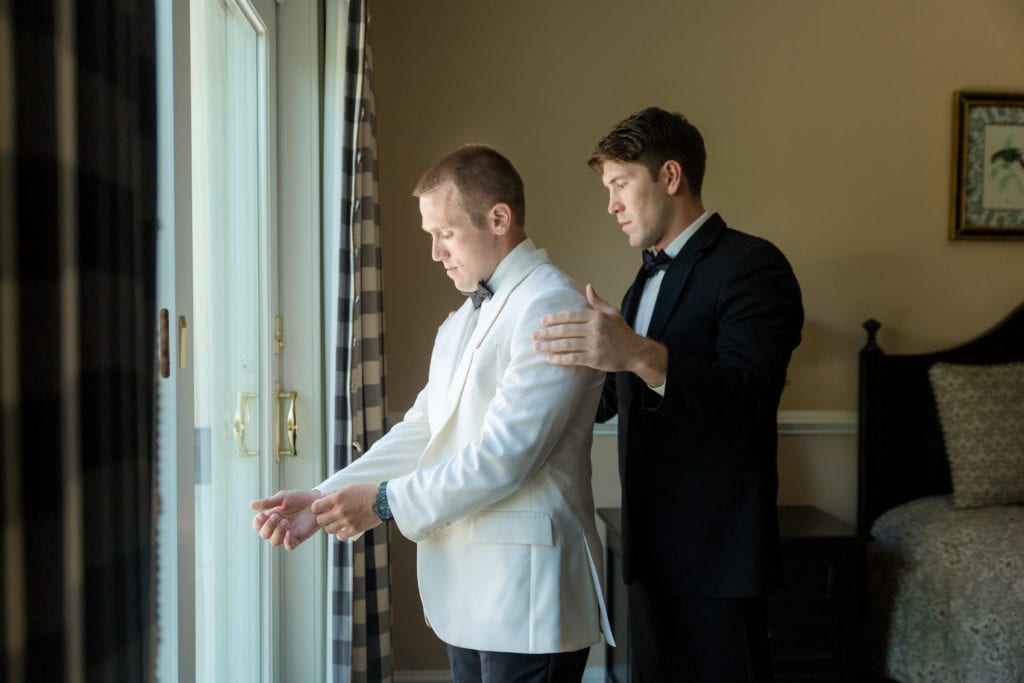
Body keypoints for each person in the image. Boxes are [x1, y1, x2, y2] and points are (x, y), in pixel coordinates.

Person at [250, 144, 613, 683]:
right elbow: (422, 428)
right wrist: (325, 497)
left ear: (498, 218)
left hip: (530, 593)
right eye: (431, 236)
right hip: (468, 594)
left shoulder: (551, 306)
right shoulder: (462, 319)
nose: (436, 253)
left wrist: (382, 502)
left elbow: (505, 457)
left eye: (445, 233)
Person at [532, 107, 804, 682]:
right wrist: (547, 371)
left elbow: (749, 395)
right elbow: (617, 397)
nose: (611, 204)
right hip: (648, 558)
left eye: (620, 184)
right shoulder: (640, 285)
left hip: (718, 562)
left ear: (671, 177)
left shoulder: (753, 265)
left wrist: (632, 352)